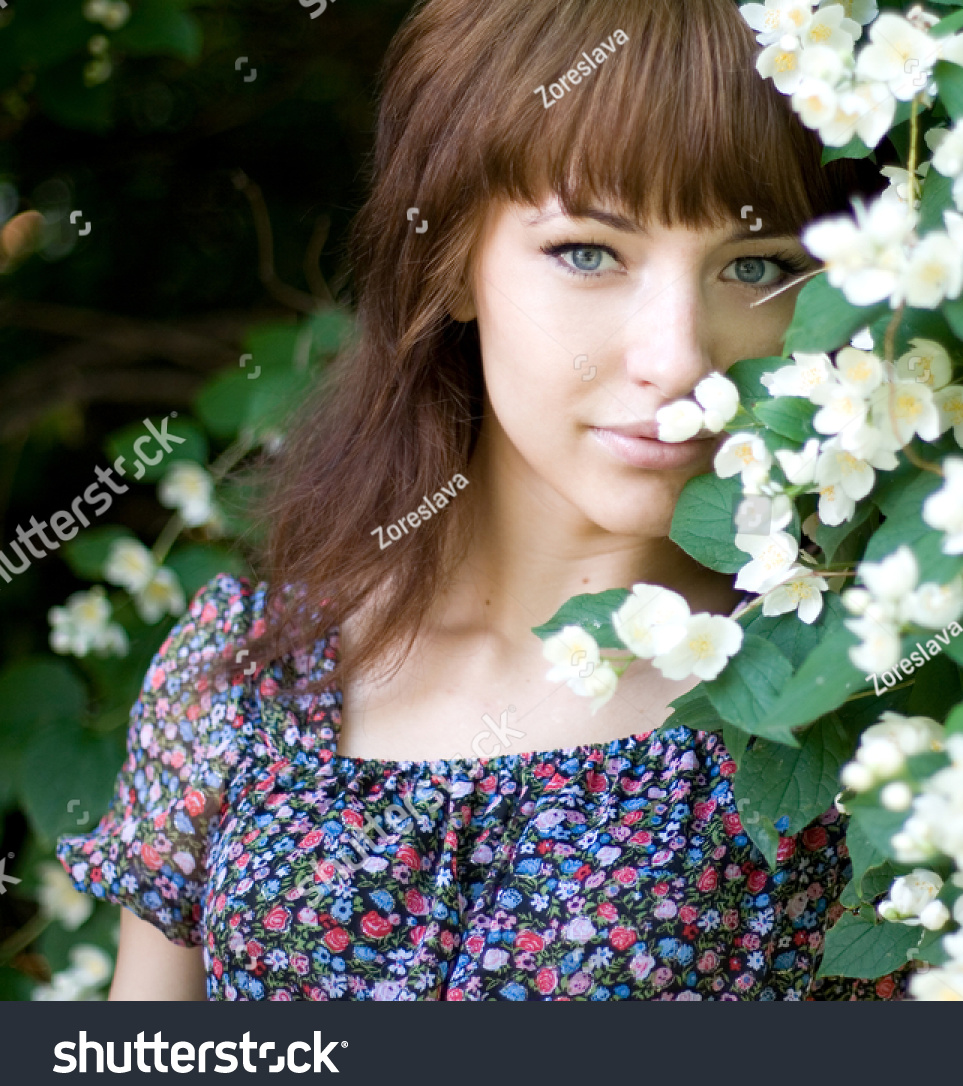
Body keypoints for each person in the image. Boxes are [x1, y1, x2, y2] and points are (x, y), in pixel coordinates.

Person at [57, 0, 912, 1001]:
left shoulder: (855, 706)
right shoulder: (244, 672)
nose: (676, 358)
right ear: (451, 257)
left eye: (757, 267)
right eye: (590, 252)